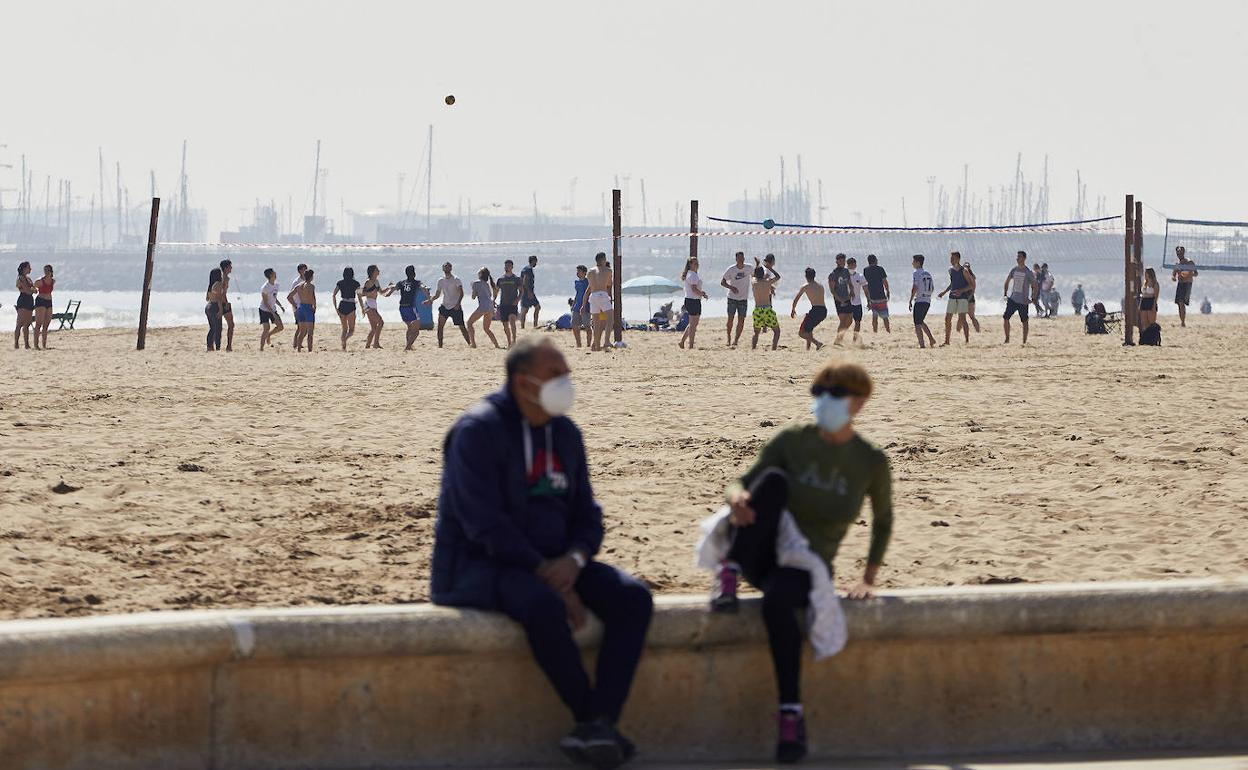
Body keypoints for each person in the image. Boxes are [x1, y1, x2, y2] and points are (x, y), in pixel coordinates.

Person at [431, 337, 653, 768]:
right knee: (542, 605)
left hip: (557, 562)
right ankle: (593, 721)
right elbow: (482, 524)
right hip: (478, 565)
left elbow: (587, 514)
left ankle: (598, 724)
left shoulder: (565, 433)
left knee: (633, 598)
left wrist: (573, 562)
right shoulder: (477, 431)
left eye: (567, 375)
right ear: (523, 383)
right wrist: (544, 571)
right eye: (556, 375)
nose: (566, 384)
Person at [709, 362, 892, 763]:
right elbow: (741, 480)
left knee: (779, 604)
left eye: (835, 393)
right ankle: (729, 574)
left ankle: (790, 714)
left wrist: (868, 578)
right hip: (759, 549)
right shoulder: (792, 440)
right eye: (818, 392)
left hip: (804, 565)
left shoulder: (870, 461)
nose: (824, 401)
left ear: (859, 401)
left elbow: (883, 522)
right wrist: (736, 498)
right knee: (773, 481)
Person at [426, 262, 471, 348]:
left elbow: (461, 293)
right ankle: (440, 346)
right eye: (445, 267)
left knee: (462, 327)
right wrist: (430, 300)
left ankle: (470, 343)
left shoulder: (456, 279)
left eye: (448, 267)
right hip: (445, 306)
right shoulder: (441, 280)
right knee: (440, 327)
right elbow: (437, 294)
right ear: (443, 269)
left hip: (455, 307)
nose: (446, 268)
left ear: (451, 268)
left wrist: (458, 303)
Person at [937, 251, 973, 346]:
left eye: (953, 258)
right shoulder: (950, 270)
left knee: (962, 319)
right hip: (952, 297)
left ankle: (967, 340)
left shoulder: (964, 271)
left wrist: (961, 291)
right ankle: (947, 341)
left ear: (958, 259)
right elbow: (952, 283)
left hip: (962, 298)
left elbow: (971, 285)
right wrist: (944, 292)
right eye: (951, 258)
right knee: (947, 319)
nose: (951, 260)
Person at [1002, 251, 1036, 345]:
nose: (1017, 258)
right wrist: (1005, 293)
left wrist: (1033, 297)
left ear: (1024, 258)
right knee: (1006, 318)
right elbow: (1007, 281)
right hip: (1013, 298)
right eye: (1017, 257)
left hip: (1023, 301)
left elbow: (1035, 285)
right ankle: (1007, 338)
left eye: (1019, 257)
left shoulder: (1028, 272)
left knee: (1024, 321)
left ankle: (1024, 341)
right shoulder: (1014, 270)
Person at [790, 267, 827, 351]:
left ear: (806, 276)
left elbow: (796, 299)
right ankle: (808, 349)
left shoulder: (805, 286)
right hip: (823, 311)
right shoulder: (820, 286)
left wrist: (793, 309)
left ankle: (818, 343)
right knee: (808, 329)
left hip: (816, 310)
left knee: (801, 333)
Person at [721, 251, 751, 347]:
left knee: (741, 320)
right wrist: (731, 287)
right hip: (732, 298)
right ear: (736, 259)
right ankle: (729, 338)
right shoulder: (731, 269)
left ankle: (736, 340)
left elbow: (756, 275)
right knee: (730, 319)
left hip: (743, 298)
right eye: (739, 258)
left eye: (742, 258)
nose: (741, 260)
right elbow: (722, 282)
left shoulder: (749, 268)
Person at [467, 267, 502, 349]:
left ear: (480, 274)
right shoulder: (487, 284)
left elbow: (473, 297)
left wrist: (472, 288)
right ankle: (496, 345)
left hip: (483, 306)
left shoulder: (476, 283)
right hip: (490, 307)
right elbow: (489, 295)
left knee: (469, 323)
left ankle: (473, 344)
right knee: (486, 328)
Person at [360, 265, 394, 349]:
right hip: (368, 304)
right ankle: (376, 343)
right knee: (381, 322)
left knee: (374, 327)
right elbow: (361, 293)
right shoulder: (368, 282)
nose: (379, 271)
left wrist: (389, 287)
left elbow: (381, 292)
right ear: (373, 272)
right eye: (377, 270)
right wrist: (370, 292)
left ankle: (367, 345)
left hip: (374, 304)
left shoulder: (377, 281)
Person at [679, 257, 709, 350]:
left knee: (693, 324)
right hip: (692, 300)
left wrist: (701, 293)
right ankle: (690, 345)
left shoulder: (692, 274)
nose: (697, 265)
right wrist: (702, 294)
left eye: (697, 263)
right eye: (695, 263)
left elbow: (694, 288)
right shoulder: (692, 275)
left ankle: (682, 342)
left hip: (693, 300)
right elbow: (694, 289)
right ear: (690, 265)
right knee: (693, 325)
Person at [586, 252, 614, 352]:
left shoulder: (590, 271)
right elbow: (609, 284)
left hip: (593, 296)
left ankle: (596, 345)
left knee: (596, 322)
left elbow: (590, 285)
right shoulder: (608, 270)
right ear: (603, 260)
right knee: (610, 319)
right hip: (602, 294)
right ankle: (606, 340)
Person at [909, 255, 936, 349]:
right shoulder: (927, 273)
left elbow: (915, 287)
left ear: (918, 263)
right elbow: (932, 288)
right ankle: (931, 339)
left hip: (920, 300)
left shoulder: (916, 273)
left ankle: (922, 344)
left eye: (913, 261)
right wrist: (927, 295)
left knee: (917, 323)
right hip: (927, 301)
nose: (912, 263)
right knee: (920, 321)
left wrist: (910, 299)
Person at [751, 266, 781, 351]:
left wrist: (757, 264)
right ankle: (774, 349)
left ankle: (753, 349)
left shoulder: (753, 282)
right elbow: (778, 276)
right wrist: (770, 268)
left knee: (756, 333)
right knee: (777, 331)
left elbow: (753, 276)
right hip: (767, 309)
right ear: (763, 274)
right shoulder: (767, 282)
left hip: (757, 309)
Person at [394, 266, 424, 350]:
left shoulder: (401, 283)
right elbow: (423, 288)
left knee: (410, 328)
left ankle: (408, 345)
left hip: (402, 307)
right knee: (416, 331)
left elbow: (392, 289)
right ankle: (408, 346)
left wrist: (386, 293)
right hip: (410, 307)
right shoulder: (416, 282)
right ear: (414, 273)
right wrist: (429, 297)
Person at [287, 269, 317, 352]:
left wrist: (295, 305)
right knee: (310, 332)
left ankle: (299, 349)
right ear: (311, 277)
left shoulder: (299, 286)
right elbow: (312, 298)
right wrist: (314, 306)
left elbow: (289, 297)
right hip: (308, 308)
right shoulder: (311, 286)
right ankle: (310, 350)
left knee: (302, 331)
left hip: (300, 308)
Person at [496, 260, 524, 347]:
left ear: (512, 267)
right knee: (505, 325)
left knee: (512, 321)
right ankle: (509, 342)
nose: (506, 267)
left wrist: (517, 300)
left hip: (512, 304)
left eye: (508, 266)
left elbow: (521, 291)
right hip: (503, 304)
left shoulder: (516, 279)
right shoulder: (500, 279)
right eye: (505, 266)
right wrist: (493, 300)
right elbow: (496, 290)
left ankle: (514, 340)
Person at [826, 254, 853, 346]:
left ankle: (840, 337)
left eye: (844, 261)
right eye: (840, 261)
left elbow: (849, 283)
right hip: (839, 300)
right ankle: (838, 340)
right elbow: (832, 290)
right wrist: (839, 299)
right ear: (837, 261)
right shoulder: (833, 274)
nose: (843, 263)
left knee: (850, 320)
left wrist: (852, 291)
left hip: (847, 298)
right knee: (842, 320)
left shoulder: (846, 271)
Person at [333, 267, 361, 351]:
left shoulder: (340, 283)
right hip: (351, 305)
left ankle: (343, 346)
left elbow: (334, 295)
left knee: (344, 329)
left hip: (342, 304)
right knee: (351, 330)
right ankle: (344, 340)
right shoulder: (356, 283)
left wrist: (335, 307)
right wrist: (363, 307)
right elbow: (359, 296)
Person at [258, 268, 285, 351]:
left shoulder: (277, 285)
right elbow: (265, 302)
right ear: (270, 275)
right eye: (274, 273)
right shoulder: (265, 287)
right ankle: (261, 348)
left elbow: (274, 297)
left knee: (280, 327)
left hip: (272, 309)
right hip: (264, 310)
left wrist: (280, 306)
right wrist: (272, 313)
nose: (275, 273)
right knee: (266, 328)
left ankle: (269, 335)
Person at [862, 254, 890, 334]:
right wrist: (887, 291)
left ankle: (875, 332)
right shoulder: (880, 269)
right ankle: (888, 331)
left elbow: (865, 284)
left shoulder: (865, 270)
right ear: (875, 260)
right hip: (881, 295)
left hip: (872, 296)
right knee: (885, 316)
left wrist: (867, 298)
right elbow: (885, 281)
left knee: (874, 316)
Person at [1172, 246, 1198, 327]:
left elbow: (1196, 273)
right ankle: (1182, 322)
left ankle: (1183, 322)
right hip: (1180, 284)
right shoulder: (1177, 264)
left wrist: (1189, 274)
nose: (1179, 254)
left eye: (1180, 252)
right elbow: (1173, 275)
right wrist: (1174, 278)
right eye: (1178, 253)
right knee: (1180, 303)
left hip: (1187, 283)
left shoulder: (1189, 262)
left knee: (1182, 303)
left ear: (1184, 252)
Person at [13, 261, 36, 350]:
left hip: (29, 300)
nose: (30, 269)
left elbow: (33, 289)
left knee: (27, 324)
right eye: (28, 267)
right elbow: (27, 290)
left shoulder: (28, 278)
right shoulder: (20, 278)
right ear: (24, 268)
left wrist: (32, 290)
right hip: (23, 300)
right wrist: (32, 290)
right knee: (20, 323)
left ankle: (26, 344)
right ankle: (16, 343)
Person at [33, 264, 55, 350]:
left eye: (47, 270)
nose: (46, 272)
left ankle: (44, 345)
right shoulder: (40, 281)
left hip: (49, 301)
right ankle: (36, 345)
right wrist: (34, 290)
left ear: (51, 271)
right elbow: (33, 287)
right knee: (39, 323)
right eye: (44, 270)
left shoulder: (53, 281)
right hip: (40, 301)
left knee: (46, 324)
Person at [846, 257, 867, 344]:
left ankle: (854, 340)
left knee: (858, 322)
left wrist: (868, 300)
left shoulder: (860, 276)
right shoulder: (844, 276)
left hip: (857, 302)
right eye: (850, 264)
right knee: (847, 322)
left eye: (854, 264)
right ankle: (841, 337)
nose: (852, 266)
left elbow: (865, 289)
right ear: (848, 265)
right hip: (847, 302)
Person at [289, 263, 309, 351]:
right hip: (298, 306)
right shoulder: (296, 282)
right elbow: (290, 296)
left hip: (306, 306)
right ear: (300, 271)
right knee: (300, 327)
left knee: (306, 327)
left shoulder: (307, 280)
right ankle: (295, 344)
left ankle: (297, 343)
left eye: (306, 269)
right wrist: (295, 306)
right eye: (303, 269)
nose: (305, 271)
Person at [205, 267, 225, 352]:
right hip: (215, 306)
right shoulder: (218, 284)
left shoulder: (210, 285)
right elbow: (219, 298)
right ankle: (217, 347)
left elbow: (207, 298)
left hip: (208, 306)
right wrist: (220, 309)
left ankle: (209, 346)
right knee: (218, 328)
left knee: (212, 328)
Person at [219, 259, 237, 351]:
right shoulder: (224, 279)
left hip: (222, 302)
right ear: (226, 268)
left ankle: (227, 345)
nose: (231, 268)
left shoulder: (224, 277)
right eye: (230, 266)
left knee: (227, 325)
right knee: (231, 324)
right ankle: (228, 346)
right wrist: (225, 303)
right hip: (222, 303)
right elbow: (222, 293)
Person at [571, 265, 591, 348]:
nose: (577, 273)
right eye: (577, 271)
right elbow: (577, 294)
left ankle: (588, 344)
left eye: (579, 271)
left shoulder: (588, 282)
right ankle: (578, 344)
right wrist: (573, 304)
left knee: (587, 326)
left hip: (586, 307)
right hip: (577, 306)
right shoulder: (577, 282)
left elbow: (589, 293)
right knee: (574, 325)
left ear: (584, 273)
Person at [520, 255, 541, 329]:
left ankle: (534, 325)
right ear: (534, 261)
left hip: (528, 291)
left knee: (537, 307)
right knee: (525, 309)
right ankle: (523, 326)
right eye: (536, 261)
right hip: (527, 292)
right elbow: (525, 281)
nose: (536, 263)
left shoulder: (526, 269)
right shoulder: (528, 269)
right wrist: (529, 292)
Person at [961, 261, 982, 333]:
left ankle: (978, 331)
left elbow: (973, 288)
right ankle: (960, 331)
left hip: (970, 298)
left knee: (971, 316)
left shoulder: (972, 276)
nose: (966, 268)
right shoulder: (963, 276)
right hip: (963, 297)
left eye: (967, 267)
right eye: (965, 266)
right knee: (962, 317)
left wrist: (969, 297)